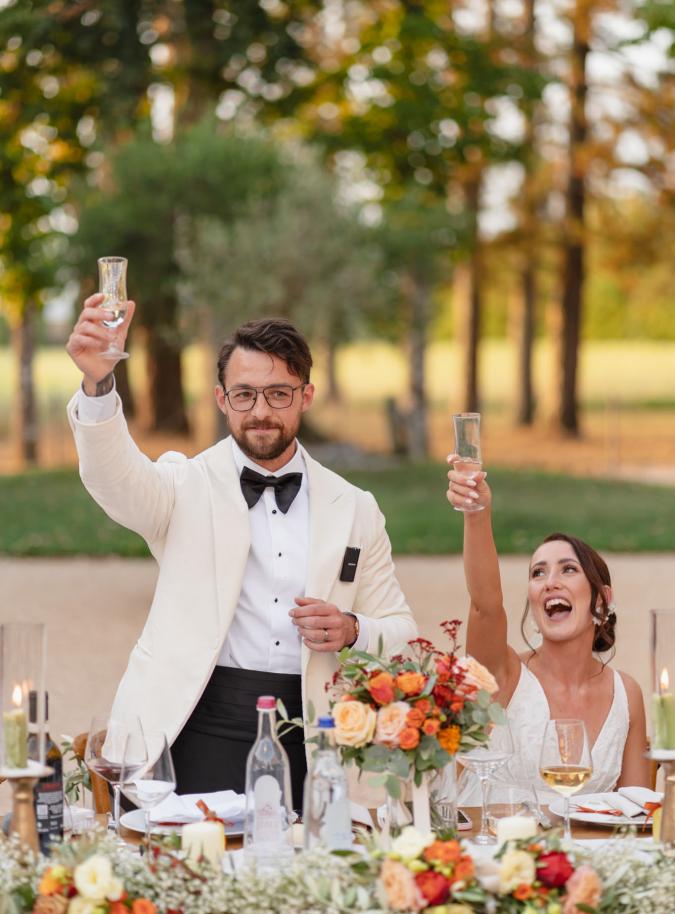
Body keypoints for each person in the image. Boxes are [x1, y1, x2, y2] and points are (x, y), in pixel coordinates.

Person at [66, 295, 417, 808]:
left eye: (278, 394)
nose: (260, 412)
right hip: (190, 723)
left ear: (306, 396)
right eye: (245, 394)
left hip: (304, 731)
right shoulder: (182, 485)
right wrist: (98, 386)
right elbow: (112, 478)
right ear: (221, 398)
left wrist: (353, 629)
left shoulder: (355, 507)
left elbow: (402, 629)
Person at [445, 457, 650, 804]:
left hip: (581, 855)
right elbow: (485, 606)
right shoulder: (503, 675)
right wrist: (477, 512)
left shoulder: (626, 694)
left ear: (601, 601)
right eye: (538, 573)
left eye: (567, 569)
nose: (550, 582)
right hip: (490, 849)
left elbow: (634, 812)